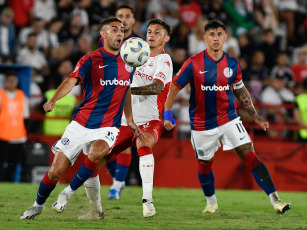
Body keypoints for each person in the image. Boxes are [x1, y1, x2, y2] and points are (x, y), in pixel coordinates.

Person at [20, 17, 143, 220]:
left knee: (96, 154)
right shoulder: (90, 59)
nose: (120, 33)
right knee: (55, 173)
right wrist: (53, 100)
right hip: (81, 124)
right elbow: (71, 81)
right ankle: (37, 205)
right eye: (114, 29)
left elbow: (126, 91)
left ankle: (67, 194)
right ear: (103, 34)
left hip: (108, 126)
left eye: (122, 30)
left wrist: (129, 119)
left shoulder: (130, 62)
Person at [164, 19, 291, 214]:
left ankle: (276, 200)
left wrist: (255, 116)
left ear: (225, 37)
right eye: (211, 34)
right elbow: (174, 86)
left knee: (250, 155)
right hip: (202, 124)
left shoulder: (233, 63)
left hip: (229, 119)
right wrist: (167, 113)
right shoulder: (193, 62)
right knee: (205, 164)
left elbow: (241, 92)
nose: (216, 38)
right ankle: (211, 202)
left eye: (219, 34)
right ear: (204, 37)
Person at [80, 19, 173, 219]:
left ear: (166, 38)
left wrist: (127, 90)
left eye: (157, 32)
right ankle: (95, 209)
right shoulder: (133, 54)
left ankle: (147, 201)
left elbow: (156, 88)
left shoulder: (164, 61)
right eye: (149, 31)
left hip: (150, 119)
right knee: (94, 157)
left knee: (143, 143)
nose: (151, 34)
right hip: (123, 120)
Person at [98, 5, 143, 200]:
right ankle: (119, 178)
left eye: (127, 16)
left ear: (133, 21)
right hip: (107, 96)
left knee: (123, 141)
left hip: (129, 97)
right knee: (103, 143)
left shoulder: (141, 44)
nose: (123, 20)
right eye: (119, 17)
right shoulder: (104, 40)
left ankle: (116, 186)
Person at [0, 71, 29, 182]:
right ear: (5, 82)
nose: (11, 83)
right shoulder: (1, 95)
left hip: (18, 136)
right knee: (1, 163)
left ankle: (9, 183)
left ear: (16, 82)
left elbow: (25, 115)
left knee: (14, 163)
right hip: (2, 135)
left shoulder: (22, 96)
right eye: (9, 80)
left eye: (13, 80)